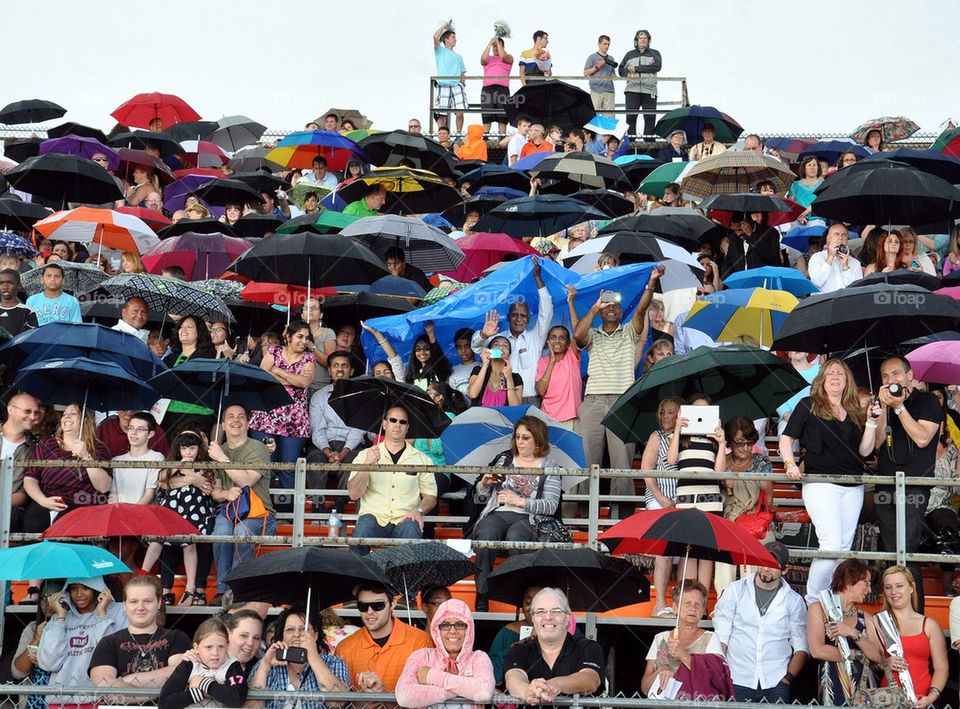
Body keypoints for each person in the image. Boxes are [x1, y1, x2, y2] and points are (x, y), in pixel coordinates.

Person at [780, 359, 878, 603]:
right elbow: (785, 439)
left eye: (840, 374)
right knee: (831, 543)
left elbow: (864, 451)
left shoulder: (854, 409)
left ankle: (834, 599)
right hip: (821, 482)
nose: (835, 376)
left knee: (843, 548)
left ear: (847, 381)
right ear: (822, 379)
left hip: (852, 484)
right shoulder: (808, 405)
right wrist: (790, 464)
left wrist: (872, 422)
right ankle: (813, 600)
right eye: (830, 373)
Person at [569, 268, 663, 516]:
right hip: (593, 401)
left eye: (615, 307)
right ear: (600, 311)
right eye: (606, 306)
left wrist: (651, 284)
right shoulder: (592, 335)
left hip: (622, 401)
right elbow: (577, 335)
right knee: (588, 462)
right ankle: (582, 515)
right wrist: (593, 307)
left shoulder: (630, 332)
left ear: (621, 312)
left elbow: (641, 310)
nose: (611, 309)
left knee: (621, 464)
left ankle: (621, 518)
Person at [871, 356, 942, 612]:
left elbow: (923, 438)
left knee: (908, 553)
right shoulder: (885, 405)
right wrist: (880, 412)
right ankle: (893, 618)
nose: (891, 381)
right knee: (891, 554)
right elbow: (877, 444)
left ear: (909, 376)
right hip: (885, 485)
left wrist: (900, 407)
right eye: (885, 376)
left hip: (914, 486)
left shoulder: (928, 401)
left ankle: (915, 617)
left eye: (895, 374)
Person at [471, 417, 563, 611]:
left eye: (525, 438)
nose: (520, 442)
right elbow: (480, 498)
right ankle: (482, 594)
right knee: (486, 535)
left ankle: (518, 595)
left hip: (529, 517)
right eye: (517, 437)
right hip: (499, 512)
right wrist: (484, 485)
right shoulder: (504, 460)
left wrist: (520, 501)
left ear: (538, 440)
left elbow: (551, 506)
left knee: (517, 537)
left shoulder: (550, 466)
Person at [713, 542, 808, 704]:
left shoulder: (794, 601)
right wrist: (722, 674)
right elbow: (721, 638)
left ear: (784, 569)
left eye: (773, 564)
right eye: (763, 561)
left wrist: (787, 679)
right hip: (737, 678)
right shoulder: (735, 590)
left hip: (776, 682)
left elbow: (801, 648)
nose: (766, 568)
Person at [209, 404, 277, 603]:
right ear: (223, 425)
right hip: (230, 511)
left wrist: (223, 459)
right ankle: (223, 590)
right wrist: (225, 493)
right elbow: (216, 491)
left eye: (241, 416)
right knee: (221, 532)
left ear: (248, 424)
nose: (235, 420)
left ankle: (240, 591)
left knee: (241, 532)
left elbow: (247, 481)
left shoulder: (258, 448)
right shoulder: (218, 451)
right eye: (230, 417)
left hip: (260, 514)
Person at [347, 405, 437, 555]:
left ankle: (407, 578)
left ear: (407, 427)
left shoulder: (422, 459)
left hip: (405, 518)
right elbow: (353, 494)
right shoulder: (365, 455)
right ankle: (357, 578)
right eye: (393, 420)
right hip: (373, 517)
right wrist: (367, 465)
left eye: (402, 422)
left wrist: (418, 510)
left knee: (412, 529)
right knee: (362, 528)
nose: (397, 424)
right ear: (384, 424)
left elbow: (431, 497)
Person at [142, 429, 216, 606]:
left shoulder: (205, 465)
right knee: (160, 539)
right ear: (179, 449)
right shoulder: (173, 465)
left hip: (196, 512)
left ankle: (190, 589)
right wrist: (183, 472)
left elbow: (207, 488)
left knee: (188, 543)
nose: (188, 453)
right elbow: (162, 481)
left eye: (192, 448)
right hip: (172, 510)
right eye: (184, 448)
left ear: (199, 449)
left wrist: (183, 479)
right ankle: (146, 576)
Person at [249, 320, 316, 511]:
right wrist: (290, 377)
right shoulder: (274, 351)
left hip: (294, 423)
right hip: (265, 419)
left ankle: (288, 514)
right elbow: (262, 377)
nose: (304, 341)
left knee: (288, 468)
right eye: (299, 336)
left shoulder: (309, 358)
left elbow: (303, 383)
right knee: (267, 465)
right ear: (288, 336)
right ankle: (264, 510)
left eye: (307, 337)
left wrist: (277, 371)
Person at [665, 394, 727, 590]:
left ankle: (701, 602)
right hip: (686, 500)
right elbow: (671, 459)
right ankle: (688, 601)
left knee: (707, 554)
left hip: (711, 500)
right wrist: (677, 428)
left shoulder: (714, 441)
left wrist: (722, 442)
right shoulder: (681, 437)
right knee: (689, 551)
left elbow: (719, 472)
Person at [471, 256, 553, 404]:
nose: (519, 319)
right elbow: (476, 347)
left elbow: (546, 312)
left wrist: (537, 277)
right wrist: (484, 335)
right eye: (515, 315)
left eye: (523, 316)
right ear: (508, 317)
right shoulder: (499, 340)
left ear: (528, 319)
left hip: (531, 398)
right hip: (503, 398)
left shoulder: (536, 337)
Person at [89, 576, 191, 691]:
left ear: (158, 603)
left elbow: (179, 675)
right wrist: (161, 694)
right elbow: (105, 687)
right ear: (124, 605)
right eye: (133, 602)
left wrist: (123, 681)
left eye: (147, 601)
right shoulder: (108, 643)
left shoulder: (177, 638)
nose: (140, 607)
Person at [38, 576, 128, 707]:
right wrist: (60, 618)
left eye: (86, 588)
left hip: (101, 698)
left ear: (97, 588)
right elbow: (50, 663)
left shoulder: (118, 611)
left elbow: (111, 656)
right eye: (74, 588)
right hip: (61, 699)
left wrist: (102, 615)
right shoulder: (59, 617)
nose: (79, 594)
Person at [505, 587, 602, 702]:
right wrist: (528, 691)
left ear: (567, 618)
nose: (548, 617)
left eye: (556, 611)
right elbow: (513, 678)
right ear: (534, 619)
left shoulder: (588, 647)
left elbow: (590, 679)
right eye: (541, 612)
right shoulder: (519, 650)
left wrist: (556, 684)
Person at [807, 560, 884, 706]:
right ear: (849, 582)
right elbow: (817, 650)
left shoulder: (865, 617)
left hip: (863, 691)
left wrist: (853, 633)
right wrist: (855, 654)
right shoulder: (818, 609)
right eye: (866, 583)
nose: (869, 590)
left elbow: (878, 656)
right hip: (833, 687)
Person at [641, 580, 733, 700]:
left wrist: (684, 655)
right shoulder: (660, 638)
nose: (692, 608)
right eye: (687, 603)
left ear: (704, 610)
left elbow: (717, 678)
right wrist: (660, 670)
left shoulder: (710, 638)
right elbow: (644, 688)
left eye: (698, 604)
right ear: (675, 608)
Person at [396, 598, 495, 708]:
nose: (452, 631)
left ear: (469, 629)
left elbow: (484, 693)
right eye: (445, 625)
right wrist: (466, 690)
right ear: (437, 630)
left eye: (460, 625)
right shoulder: (421, 656)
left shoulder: (479, 658)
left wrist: (432, 676)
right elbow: (404, 696)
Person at [714, 416, 774, 595]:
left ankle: (754, 599)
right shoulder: (721, 462)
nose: (746, 448)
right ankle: (724, 601)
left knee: (762, 547)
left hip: (755, 519)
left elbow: (768, 500)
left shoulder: (761, 462)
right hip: (728, 519)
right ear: (730, 442)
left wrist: (746, 486)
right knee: (724, 557)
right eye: (740, 443)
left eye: (749, 442)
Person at [335, 582, 431, 692]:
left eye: (378, 606)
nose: (370, 612)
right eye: (363, 606)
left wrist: (383, 695)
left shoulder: (419, 641)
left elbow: (424, 695)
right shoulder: (344, 648)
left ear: (393, 604)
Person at [249, 606, 351, 708]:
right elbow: (251, 707)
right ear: (282, 636)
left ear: (315, 635)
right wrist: (265, 665)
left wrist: (314, 657)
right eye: (290, 630)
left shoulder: (334, 663)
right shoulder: (266, 663)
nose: (296, 634)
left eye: (303, 629)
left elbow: (338, 703)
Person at [877, 566, 947, 708]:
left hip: (923, 701)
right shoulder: (877, 622)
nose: (894, 592)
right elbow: (870, 662)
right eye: (888, 587)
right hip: (887, 702)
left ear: (912, 587)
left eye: (899, 586)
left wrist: (931, 698)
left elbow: (941, 668)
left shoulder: (929, 625)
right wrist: (884, 663)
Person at [639, 396, 683, 617]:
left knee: (688, 550)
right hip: (659, 497)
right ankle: (660, 604)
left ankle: (682, 602)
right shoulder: (656, 436)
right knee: (664, 549)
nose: (666, 416)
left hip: (683, 499)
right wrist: (662, 498)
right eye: (663, 412)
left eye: (671, 412)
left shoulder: (687, 436)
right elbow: (646, 469)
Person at [158, 618, 248, 709]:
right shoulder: (189, 664)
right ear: (196, 648)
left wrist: (205, 684)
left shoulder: (232, 665)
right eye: (209, 647)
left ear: (227, 646)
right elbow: (165, 703)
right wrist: (200, 693)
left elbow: (237, 699)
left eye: (221, 646)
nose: (215, 653)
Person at [162, 315, 216, 439]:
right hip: (170, 414)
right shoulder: (170, 357)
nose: (183, 330)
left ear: (199, 332)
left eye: (190, 327)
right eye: (181, 326)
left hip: (197, 415)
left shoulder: (208, 357)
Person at [4, 391, 40, 539]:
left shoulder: (36, 448)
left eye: (36, 413)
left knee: (12, 515)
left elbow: (23, 494)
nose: (32, 417)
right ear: (10, 410)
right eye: (27, 411)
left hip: (10, 509)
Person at [488, 585, 541, 686]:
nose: (533, 608)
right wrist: (514, 648)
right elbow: (491, 674)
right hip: (509, 698)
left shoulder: (563, 631)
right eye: (528, 602)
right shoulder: (506, 633)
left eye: (539, 602)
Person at [108, 411, 164, 505]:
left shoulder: (156, 458)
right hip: (119, 514)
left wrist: (132, 514)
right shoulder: (116, 460)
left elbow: (150, 495)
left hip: (143, 514)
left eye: (140, 429)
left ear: (150, 434)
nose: (133, 433)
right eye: (131, 428)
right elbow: (113, 494)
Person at [535, 325, 582, 429]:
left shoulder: (571, 356)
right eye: (553, 337)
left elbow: (578, 331)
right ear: (547, 341)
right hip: (548, 418)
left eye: (562, 338)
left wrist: (570, 307)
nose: (557, 341)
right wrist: (551, 362)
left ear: (568, 343)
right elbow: (541, 391)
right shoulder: (543, 362)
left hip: (571, 418)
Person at [620, 30, 661, 137]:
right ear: (636, 41)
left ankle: (649, 145)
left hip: (649, 89)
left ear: (649, 40)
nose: (643, 40)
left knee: (649, 118)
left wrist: (636, 69)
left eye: (645, 38)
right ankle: (631, 144)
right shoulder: (629, 54)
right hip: (632, 89)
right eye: (640, 38)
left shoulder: (655, 53)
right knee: (631, 118)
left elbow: (657, 66)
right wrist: (626, 73)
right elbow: (620, 68)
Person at [467, 335, 523, 407]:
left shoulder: (515, 378)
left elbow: (515, 408)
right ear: (489, 351)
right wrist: (485, 365)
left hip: (503, 418)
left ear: (509, 355)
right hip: (479, 417)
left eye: (505, 346)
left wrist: (509, 379)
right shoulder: (478, 370)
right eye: (496, 345)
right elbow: (473, 394)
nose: (500, 348)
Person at [808, 223, 863, 292]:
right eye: (836, 234)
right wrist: (830, 258)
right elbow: (817, 282)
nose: (840, 238)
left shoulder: (854, 262)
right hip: (824, 301)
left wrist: (845, 267)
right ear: (828, 238)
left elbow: (856, 290)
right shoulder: (817, 257)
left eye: (844, 235)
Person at [433, 22, 467, 134]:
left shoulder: (459, 57)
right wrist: (444, 27)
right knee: (441, 111)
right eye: (453, 37)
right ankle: (442, 133)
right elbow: (435, 37)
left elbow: (463, 74)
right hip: (443, 84)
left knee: (460, 111)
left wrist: (463, 83)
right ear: (446, 39)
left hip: (457, 85)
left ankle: (458, 134)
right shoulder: (440, 51)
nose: (455, 39)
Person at [97, 409, 170, 458]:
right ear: (117, 409)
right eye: (124, 407)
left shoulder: (153, 428)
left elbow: (167, 460)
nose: (129, 413)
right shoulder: (104, 428)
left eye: (134, 408)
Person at [405, 322, 452, 390]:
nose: (422, 352)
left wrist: (431, 336)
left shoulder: (438, 367)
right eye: (418, 349)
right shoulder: (412, 374)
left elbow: (436, 355)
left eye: (426, 348)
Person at [480, 37, 513, 135]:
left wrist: (498, 43)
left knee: (502, 115)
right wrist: (490, 43)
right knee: (486, 114)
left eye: (497, 45)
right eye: (494, 46)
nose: (495, 48)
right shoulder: (488, 58)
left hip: (503, 88)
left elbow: (503, 57)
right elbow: (482, 60)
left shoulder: (509, 57)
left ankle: (501, 137)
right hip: (488, 88)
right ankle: (485, 138)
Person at [224, 609, 265, 679]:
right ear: (228, 634)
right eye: (244, 635)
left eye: (256, 638)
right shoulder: (208, 664)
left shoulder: (261, 666)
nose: (250, 643)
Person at [584, 35, 616, 116]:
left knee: (609, 118)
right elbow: (585, 73)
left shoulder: (611, 59)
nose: (607, 46)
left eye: (608, 44)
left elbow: (613, 75)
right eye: (605, 44)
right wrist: (597, 66)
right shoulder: (592, 57)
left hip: (609, 91)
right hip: (596, 90)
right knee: (594, 117)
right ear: (599, 44)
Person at [786, 156, 824, 222]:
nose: (812, 167)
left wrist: (810, 209)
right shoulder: (795, 185)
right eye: (809, 165)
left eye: (814, 165)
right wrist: (799, 216)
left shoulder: (824, 183)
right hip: (798, 220)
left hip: (817, 220)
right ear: (804, 168)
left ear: (818, 168)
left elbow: (825, 202)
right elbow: (791, 204)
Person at [0, 268, 37, 334]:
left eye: (9, 283)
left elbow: (31, 336)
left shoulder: (27, 311)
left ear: (18, 286)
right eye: (1, 283)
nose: (5, 286)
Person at [448, 327, 478, 398]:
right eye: (459, 347)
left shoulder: (482, 368)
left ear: (473, 346)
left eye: (467, 346)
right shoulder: (451, 370)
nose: (463, 350)